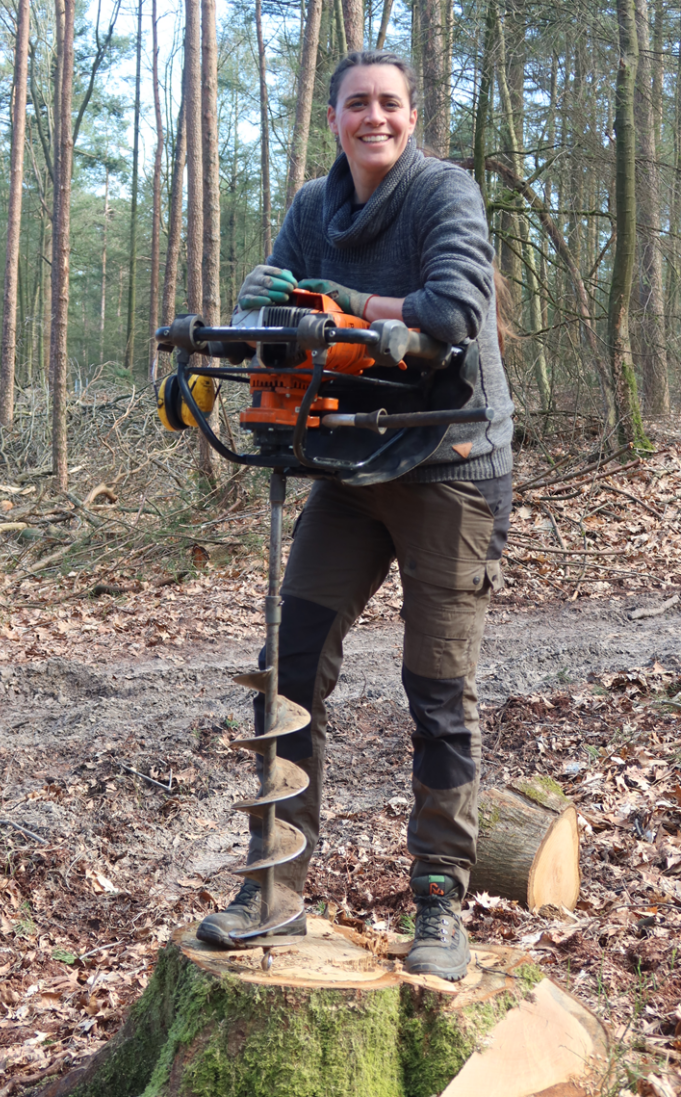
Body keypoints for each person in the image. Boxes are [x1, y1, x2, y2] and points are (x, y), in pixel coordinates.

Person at [197, 49, 514, 981]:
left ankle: (440, 901)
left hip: (452, 463)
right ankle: (276, 885)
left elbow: (452, 312)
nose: (374, 117)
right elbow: (283, 325)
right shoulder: (313, 207)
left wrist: (344, 303)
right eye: (357, 104)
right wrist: (262, 310)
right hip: (351, 463)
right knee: (289, 667)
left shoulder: (443, 194)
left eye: (390, 103)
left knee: (437, 690)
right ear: (333, 118)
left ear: (411, 116)